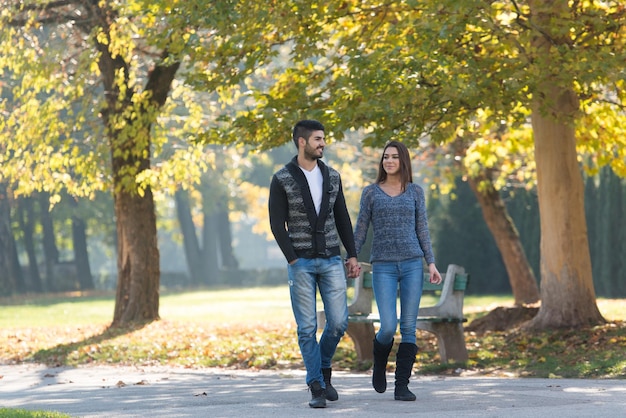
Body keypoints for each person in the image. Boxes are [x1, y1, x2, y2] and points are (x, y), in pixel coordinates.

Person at [269, 119, 361, 408]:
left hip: (332, 259)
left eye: (323, 139)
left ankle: (322, 368)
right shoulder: (282, 178)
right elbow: (276, 223)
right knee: (307, 327)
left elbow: (343, 217)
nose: (322, 144)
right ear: (302, 142)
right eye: (318, 139)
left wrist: (352, 253)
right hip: (302, 263)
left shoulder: (332, 176)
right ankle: (316, 385)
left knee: (338, 322)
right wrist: (293, 258)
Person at [353, 140, 442, 401]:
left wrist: (431, 262)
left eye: (394, 157)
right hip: (383, 266)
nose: (389, 161)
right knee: (388, 326)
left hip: (413, 263)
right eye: (385, 157)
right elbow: (361, 228)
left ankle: (402, 386)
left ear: (403, 161)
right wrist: (352, 256)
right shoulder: (371, 193)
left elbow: (422, 228)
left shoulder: (415, 192)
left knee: (409, 327)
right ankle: (379, 363)